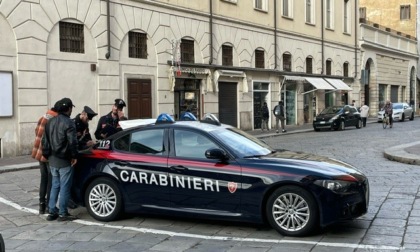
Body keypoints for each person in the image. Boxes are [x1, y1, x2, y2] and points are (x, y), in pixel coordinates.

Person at [43, 98, 78, 221]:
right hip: (64, 159)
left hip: (52, 158)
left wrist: (47, 155)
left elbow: (45, 141)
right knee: (64, 186)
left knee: (55, 185)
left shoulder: (50, 122)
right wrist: (74, 156)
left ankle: (52, 211)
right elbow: (73, 142)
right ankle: (63, 212)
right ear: (68, 109)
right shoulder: (69, 123)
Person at [31, 106, 58, 214]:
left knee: (43, 179)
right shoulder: (53, 120)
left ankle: (41, 205)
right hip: (47, 154)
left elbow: (36, 131)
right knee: (51, 180)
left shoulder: (42, 117)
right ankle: (48, 205)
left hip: (39, 152)